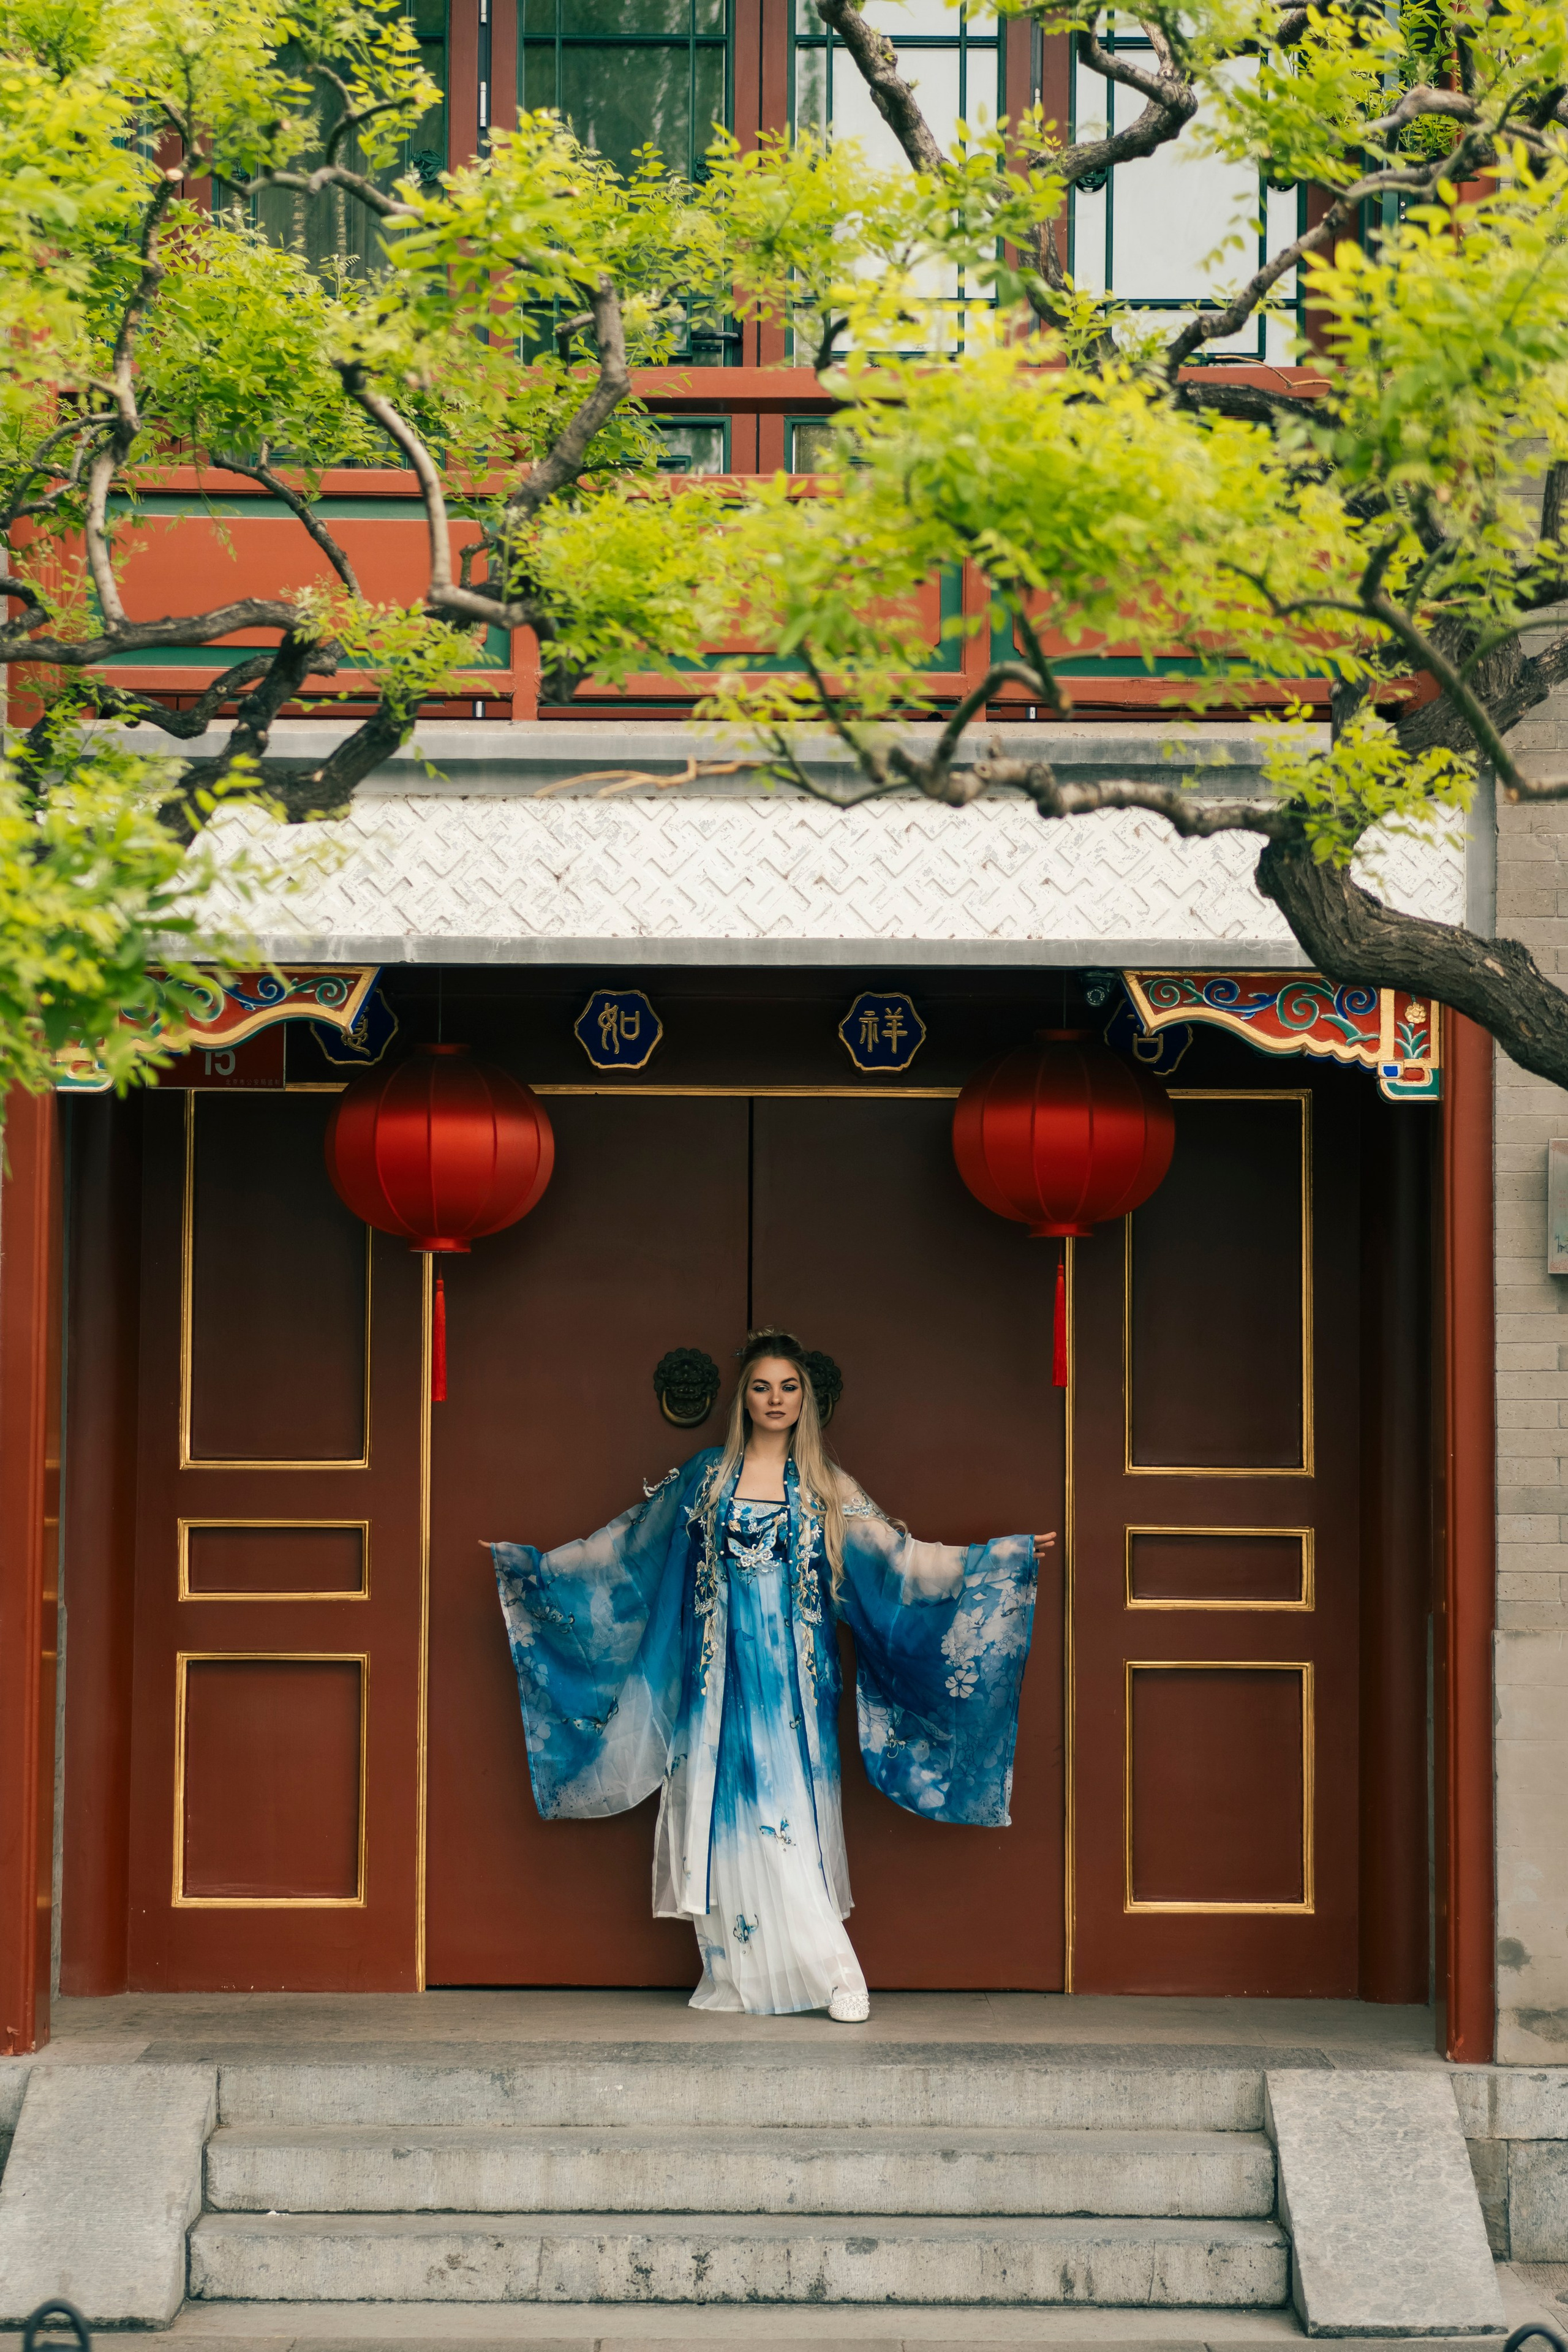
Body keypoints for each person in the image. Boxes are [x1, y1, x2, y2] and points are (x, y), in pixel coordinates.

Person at [491, 1327, 1054, 2020]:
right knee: (725, 1814)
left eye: (789, 1387)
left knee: (784, 1815)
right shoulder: (705, 1478)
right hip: (715, 1680)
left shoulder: (824, 1485)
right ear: (744, 1399)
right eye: (762, 1386)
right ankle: (742, 1975)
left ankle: (835, 1974)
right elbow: (624, 1548)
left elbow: (897, 1558)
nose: (775, 1398)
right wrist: (535, 1571)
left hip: (792, 1681)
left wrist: (992, 1560)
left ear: (805, 1400)